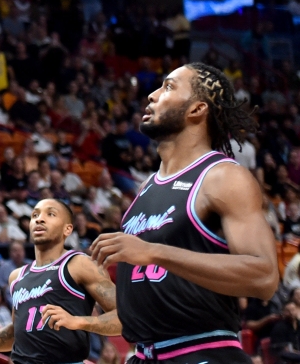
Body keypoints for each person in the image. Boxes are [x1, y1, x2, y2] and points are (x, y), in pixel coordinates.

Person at [89, 63, 279, 364]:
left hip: (202, 352)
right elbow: (151, 284)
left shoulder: (222, 177)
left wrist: (154, 252)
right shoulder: (147, 186)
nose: (151, 95)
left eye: (168, 87)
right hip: (144, 355)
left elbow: (265, 276)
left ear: (197, 109)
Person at [0, 198, 120, 362]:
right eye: (34, 215)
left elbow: (123, 318)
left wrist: (78, 321)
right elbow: (15, 334)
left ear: (67, 229)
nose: (39, 219)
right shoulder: (16, 276)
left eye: (51, 214)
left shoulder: (80, 264)